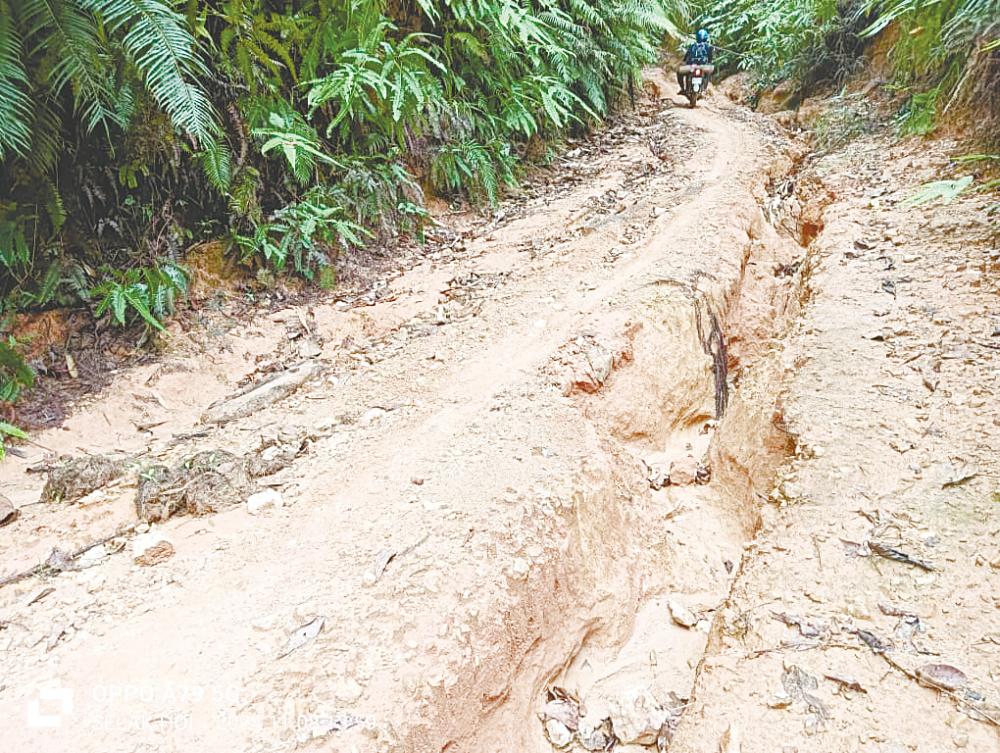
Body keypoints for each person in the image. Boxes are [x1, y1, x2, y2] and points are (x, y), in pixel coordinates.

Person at [677, 29, 715, 95]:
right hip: (703, 66)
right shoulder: (708, 47)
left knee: (679, 73)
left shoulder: (692, 46)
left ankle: (683, 89)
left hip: (691, 66)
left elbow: (686, 57)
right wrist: (709, 62)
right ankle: (704, 89)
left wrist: (684, 62)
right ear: (706, 37)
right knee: (707, 75)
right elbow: (710, 58)